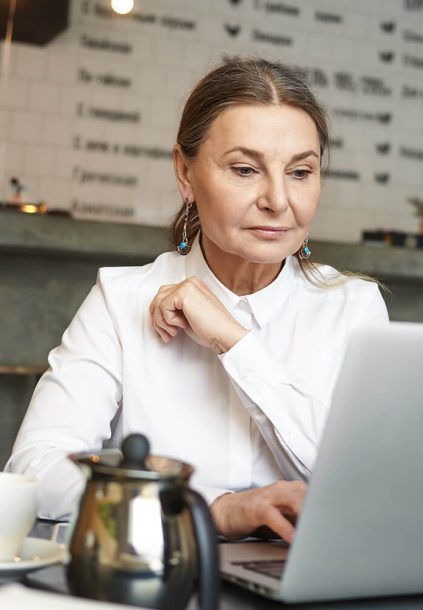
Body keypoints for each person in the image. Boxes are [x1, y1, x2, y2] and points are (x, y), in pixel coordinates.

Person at [6, 57, 388, 542]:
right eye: (245, 169)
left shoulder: (355, 308)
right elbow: (35, 473)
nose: (278, 199)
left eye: (300, 172)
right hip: (160, 576)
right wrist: (209, 510)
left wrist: (235, 341)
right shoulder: (122, 299)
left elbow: (364, 488)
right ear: (185, 173)